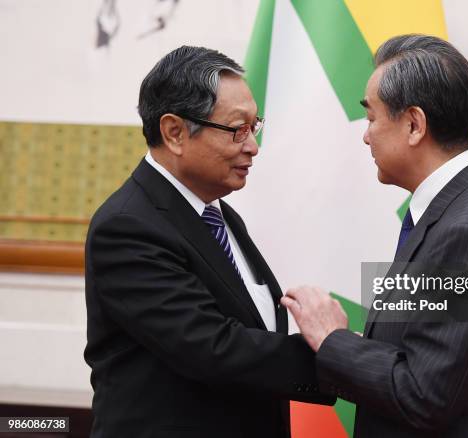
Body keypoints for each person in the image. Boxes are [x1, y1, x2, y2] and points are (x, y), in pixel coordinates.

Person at [282, 34, 468, 437]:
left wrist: (332, 339)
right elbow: (428, 357)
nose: (366, 135)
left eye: (371, 118)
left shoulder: (467, 233)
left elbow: (424, 395)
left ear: (414, 125)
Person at [84, 45, 333, 438]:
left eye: (255, 126)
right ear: (175, 132)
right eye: (237, 129)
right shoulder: (128, 226)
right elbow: (212, 347)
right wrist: (341, 358)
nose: (253, 146)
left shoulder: (217, 213)